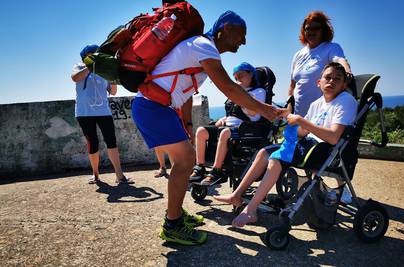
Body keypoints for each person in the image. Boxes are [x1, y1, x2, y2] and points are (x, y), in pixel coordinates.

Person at [131, 11, 282, 245]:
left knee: (185, 161)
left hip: (160, 108)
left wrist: (187, 123)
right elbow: (229, 89)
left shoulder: (200, 49)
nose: (243, 41)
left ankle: (177, 215)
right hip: (153, 107)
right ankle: (172, 225)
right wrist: (265, 109)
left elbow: (186, 91)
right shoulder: (204, 46)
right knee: (185, 161)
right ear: (225, 29)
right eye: (241, 35)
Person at [215, 62, 358, 227]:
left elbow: (333, 138)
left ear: (344, 84)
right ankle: (236, 195)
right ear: (319, 82)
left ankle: (251, 210)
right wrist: (287, 118)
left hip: (324, 151)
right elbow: (303, 132)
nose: (331, 81)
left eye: (337, 78)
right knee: (264, 152)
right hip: (309, 145)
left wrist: (300, 120)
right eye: (328, 77)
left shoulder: (345, 101)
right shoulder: (317, 103)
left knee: (276, 159)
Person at [189, 62, 267, 186]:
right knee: (201, 131)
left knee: (225, 133)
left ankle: (216, 171)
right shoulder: (238, 93)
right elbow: (234, 112)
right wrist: (224, 118)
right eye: (235, 78)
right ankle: (200, 167)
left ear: (251, 74)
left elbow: (253, 112)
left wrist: (240, 95)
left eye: (241, 76)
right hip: (230, 127)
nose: (238, 80)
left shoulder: (258, 91)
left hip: (247, 129)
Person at [71, 44, 133, 185]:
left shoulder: (102, 72)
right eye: (93, 54)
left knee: (111, 141)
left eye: (98, 53)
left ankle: (120, 175)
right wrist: (91, 66)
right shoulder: (79, 66)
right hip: (84, 113)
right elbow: (75, 78)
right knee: (92, 143)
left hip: (103, 111)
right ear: (86, 56)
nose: (96, 56)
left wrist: (111, 74)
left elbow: (113, 92)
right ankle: (96, 175)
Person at [288, 11, 352, 117]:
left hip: (321, 119)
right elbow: (292, 86)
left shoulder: (331, 48)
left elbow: (340, 59)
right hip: (298, 118)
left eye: (315, 28)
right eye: (307, 28)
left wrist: (347, 70)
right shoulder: (297, 55)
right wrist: (289, 110)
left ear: (323, 30)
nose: (311, 31)